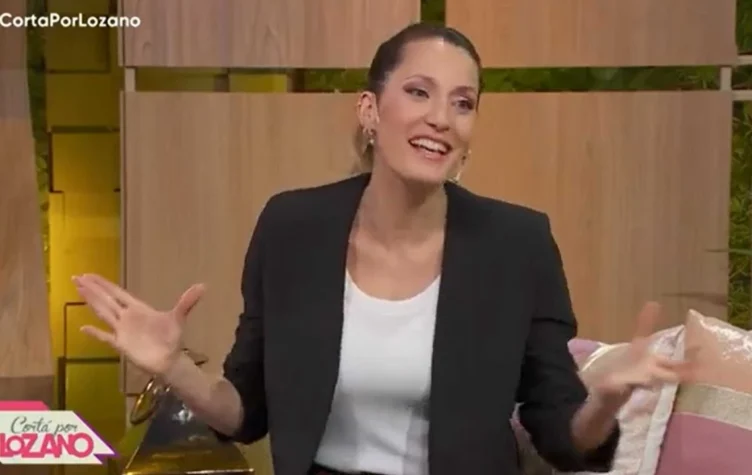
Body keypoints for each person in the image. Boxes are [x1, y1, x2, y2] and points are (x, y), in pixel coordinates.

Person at [73, 23, 695, 475]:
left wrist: (604, 402)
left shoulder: (517, 243)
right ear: (370, 110)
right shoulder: (291, 227)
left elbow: (560, 435)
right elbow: (247, 411)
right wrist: (173, 367)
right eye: (419, 92)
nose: (442, 118)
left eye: (463, 103)